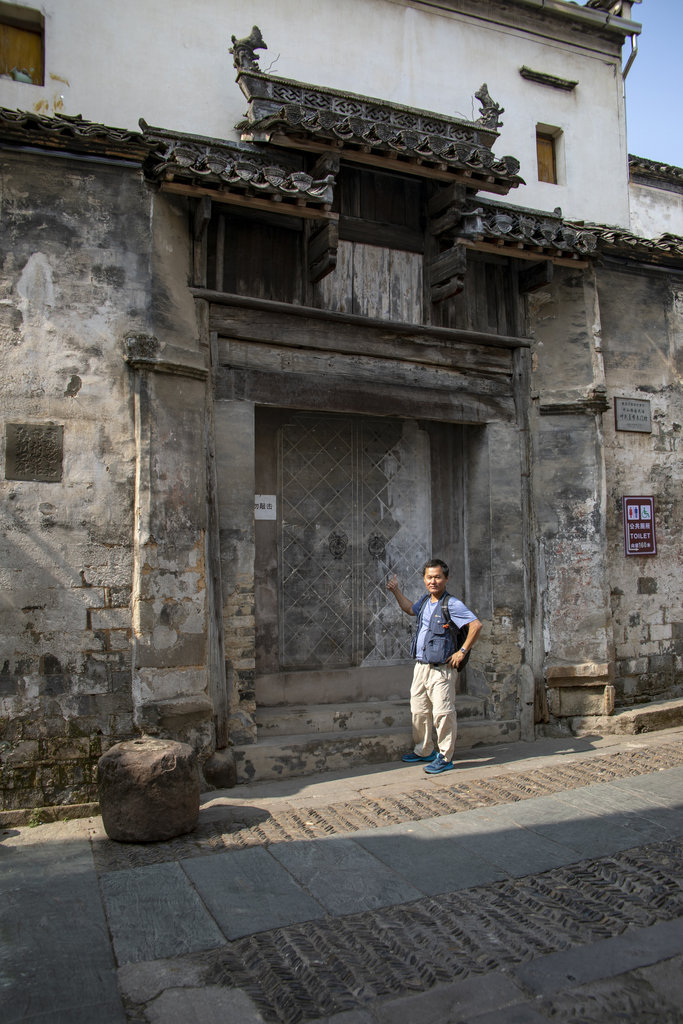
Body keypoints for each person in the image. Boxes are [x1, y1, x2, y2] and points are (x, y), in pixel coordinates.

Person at [387, 559, 482, 774]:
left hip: (442, 669)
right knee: (419, 711)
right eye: (429, 577)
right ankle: (424, 750)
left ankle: (445, 757)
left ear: (446, 579)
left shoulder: (452, 604)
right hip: (421, 667)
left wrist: (462, 651)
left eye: (438, 577)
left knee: (442, 713)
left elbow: (476, 625)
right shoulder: (424, 601)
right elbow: (409, 609)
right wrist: (396, 591)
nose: (433, 581)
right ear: (424, 579)